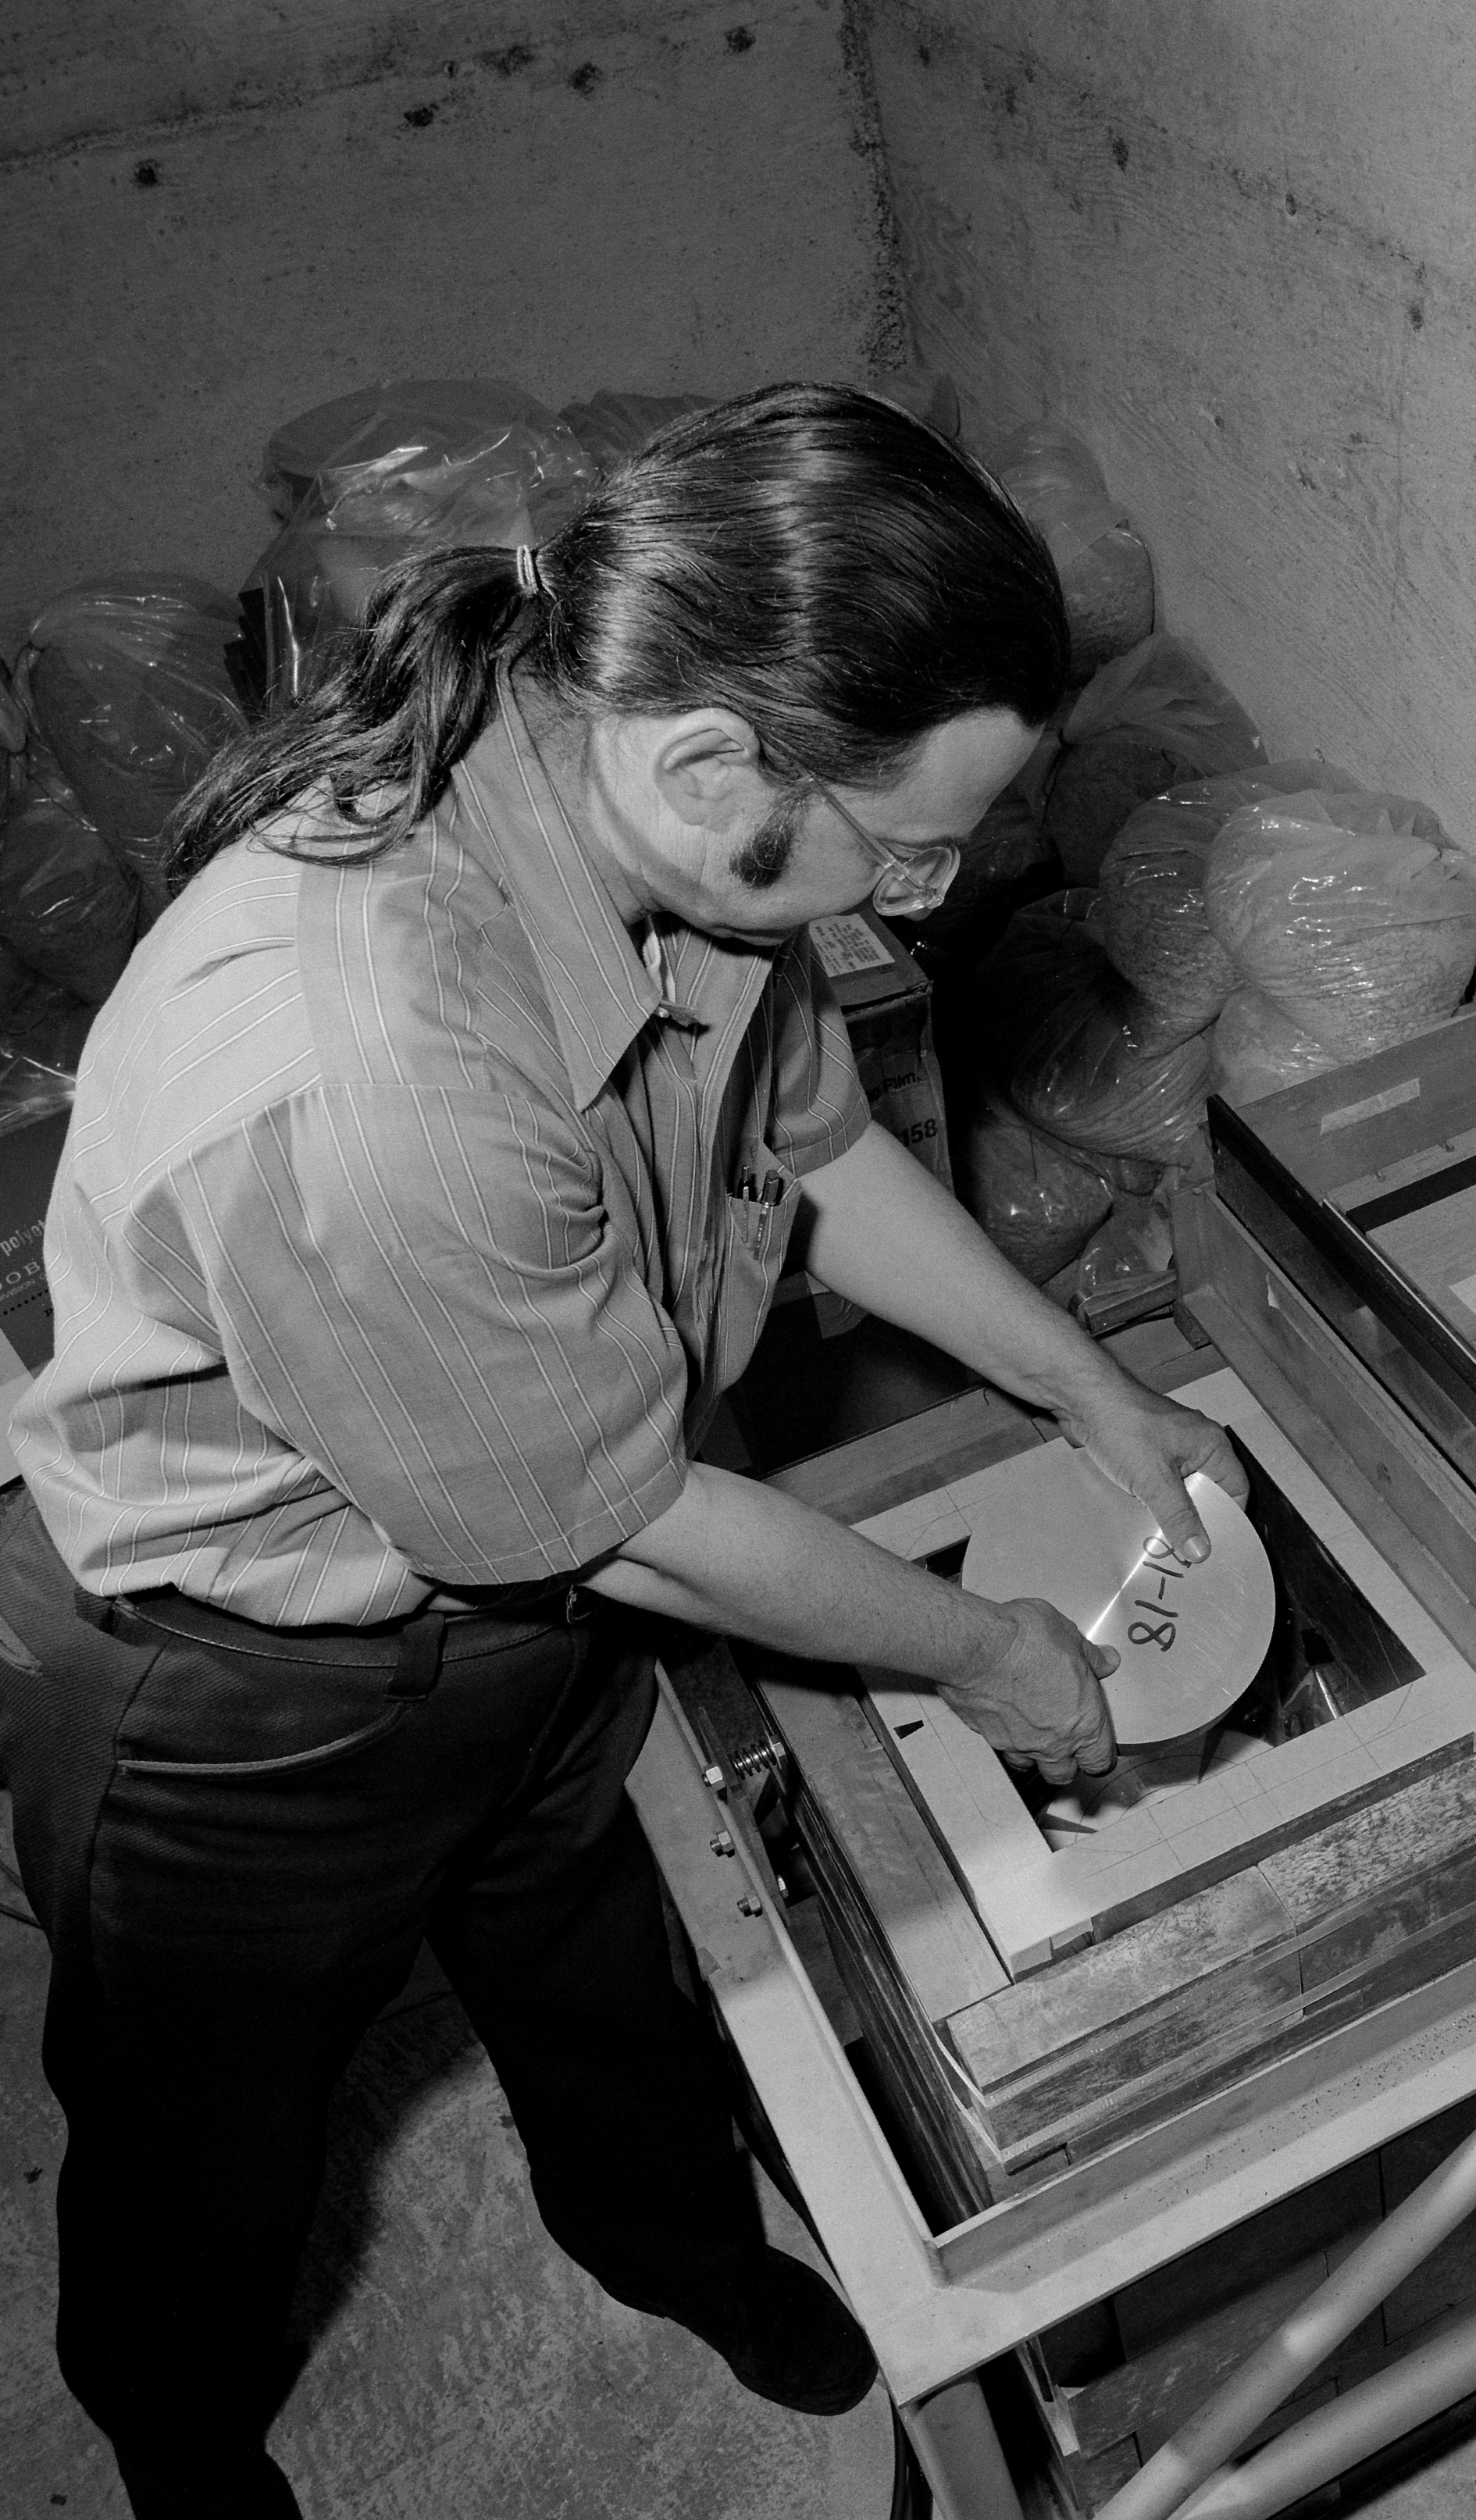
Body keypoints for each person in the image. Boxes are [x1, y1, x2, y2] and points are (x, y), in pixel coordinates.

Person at [0, 381, 1245, 2520]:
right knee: (206, 2116)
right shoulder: (376, 1066)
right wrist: (987, 1653)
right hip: (245, 1676)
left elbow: (818, 1148)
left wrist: (1085, 1384)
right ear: (709, 768)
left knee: (608, 1970)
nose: (930, 887)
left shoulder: (665, 834)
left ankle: (661, 2240)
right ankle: (177, 2434)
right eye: (908, 842)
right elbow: (632, 1517)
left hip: (533, 1583)